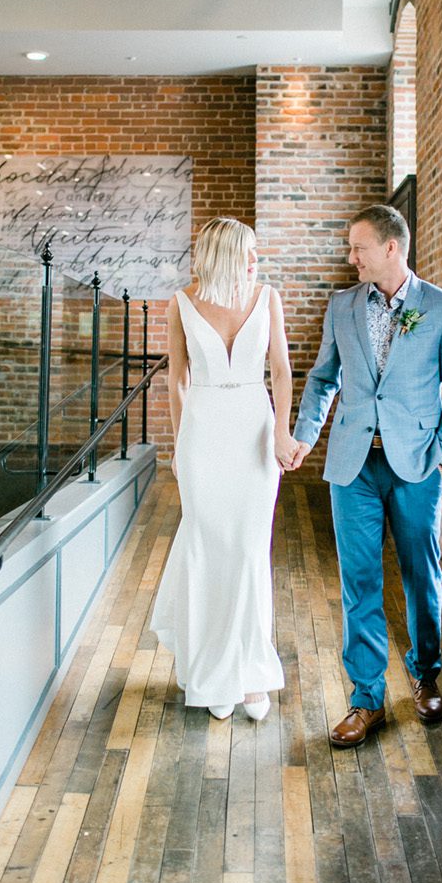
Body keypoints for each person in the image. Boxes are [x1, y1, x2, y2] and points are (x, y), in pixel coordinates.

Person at [290, 205, 442, 746]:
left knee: (422, 575)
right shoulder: (341, 306)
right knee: (360, 581)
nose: (351, 258)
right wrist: (305, 435)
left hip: (418, 464)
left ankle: (425, 676)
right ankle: (366, 697)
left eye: (359, 248)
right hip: (353, 465)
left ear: (391, 248)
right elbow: (324, 378)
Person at [150, 216, 295, 721]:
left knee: (250, 551)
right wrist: (180, 443)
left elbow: (280, 370)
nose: (255, 260)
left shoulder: (268, 297)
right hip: (203, 435)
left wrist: (281, 432)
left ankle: (252, 673)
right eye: (247, 252)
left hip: (254, 430)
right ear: (222, 254)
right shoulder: (181, 303)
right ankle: (211, 670)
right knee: (209, 550)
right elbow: (177, 381)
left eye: (255, 252)